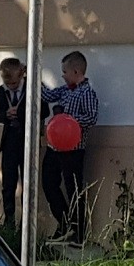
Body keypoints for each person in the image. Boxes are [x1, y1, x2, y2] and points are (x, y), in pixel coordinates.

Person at [42, 50, 99, 245]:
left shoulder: (87, 93)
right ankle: (65, 223)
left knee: (74, 189)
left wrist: (68, 121)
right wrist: (31, 77)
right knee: (48, 183)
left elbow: (91, 117)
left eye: (65, 71)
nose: (63, 75)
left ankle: (79, 232)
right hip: (54, 147)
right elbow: (47, 95)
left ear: (76, 71)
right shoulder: (64, 90)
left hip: (74, 150)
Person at [0, 57, 30, 228]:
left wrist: (20, 114)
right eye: (7, 83)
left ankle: (26, 222)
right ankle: (9, 221)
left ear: (21, 75)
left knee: (27, 183)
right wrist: (6, 115)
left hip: (26, 140)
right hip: (9, 142)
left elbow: (43, 110)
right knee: (8, 183)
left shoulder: (31, 87)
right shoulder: (0, 92)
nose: (11, 86)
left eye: (14, 83)